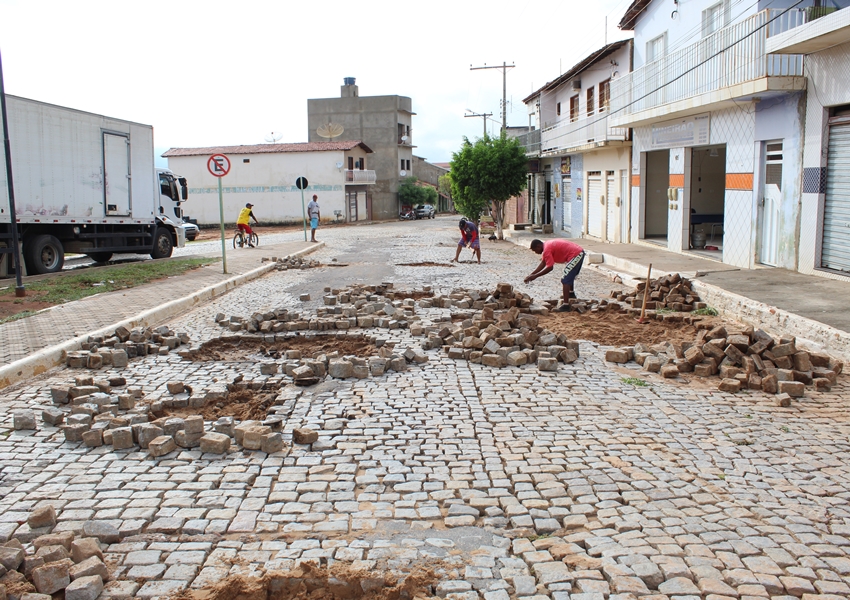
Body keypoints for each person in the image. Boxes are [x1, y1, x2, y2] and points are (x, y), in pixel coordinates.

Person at [524, 238, 585, 311]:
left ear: (538, 246)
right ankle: (571, 294)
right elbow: (543, 263)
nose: (535, 252)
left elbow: (550, 267)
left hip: (576, 254)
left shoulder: (546, 249)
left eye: (535, 250)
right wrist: (531, 275)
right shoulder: (546, 246)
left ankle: (566, 305)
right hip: (577, 252)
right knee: (569, 275)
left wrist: (536, 276)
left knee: (565, 279)